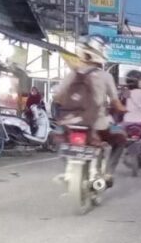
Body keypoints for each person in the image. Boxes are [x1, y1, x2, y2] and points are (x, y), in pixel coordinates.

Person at [52, 44, 127, 186]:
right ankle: (108, 173)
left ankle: (68, 170)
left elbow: (57, 96)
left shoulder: (73, 74)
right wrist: (123, 109)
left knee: (60, 140)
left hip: (70, 122)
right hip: (97, 124)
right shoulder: (105, 76)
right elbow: (116, 103)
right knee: (120, 138)